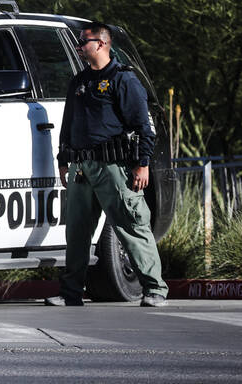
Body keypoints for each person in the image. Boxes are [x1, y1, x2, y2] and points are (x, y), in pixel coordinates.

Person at [45, 22, 168, 308]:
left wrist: (142, 164)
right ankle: (71, 293)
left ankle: (154, 289)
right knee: (76, 233)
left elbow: (142, 127)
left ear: (101, 44)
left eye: (83, 41)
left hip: (114, 167)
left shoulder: (123, 79)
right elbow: (68, 127)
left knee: (132, 226)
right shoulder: (78, 82)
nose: (79, 46)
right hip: (81, 168)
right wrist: (64, 160)